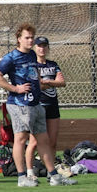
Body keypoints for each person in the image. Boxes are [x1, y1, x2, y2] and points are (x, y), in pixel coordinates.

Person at [0, 23, 70, 186]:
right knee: (20, 139)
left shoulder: (32, 55)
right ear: (19, 39)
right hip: (20, 104)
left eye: (32, 37)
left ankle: (54, 176)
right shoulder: (11, 57)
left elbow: (35, 77)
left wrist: (44, 84)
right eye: (27, 38)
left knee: (43, 140)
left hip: (36, 104)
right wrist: (15, 88)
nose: (30, 41)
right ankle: (22, 177)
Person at [31, 36, 66, 176]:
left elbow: (62, 82)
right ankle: (30, 170)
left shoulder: (53, 64)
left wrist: (46, 82)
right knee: (34, 142)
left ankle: (50, 171)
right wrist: (51, 82)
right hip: (38, 105)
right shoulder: (33, 65)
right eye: (39, 46)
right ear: (34, 48)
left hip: (52, 105)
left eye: (44, 46)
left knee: (52, 141)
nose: (42, 48)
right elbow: (37, 85)